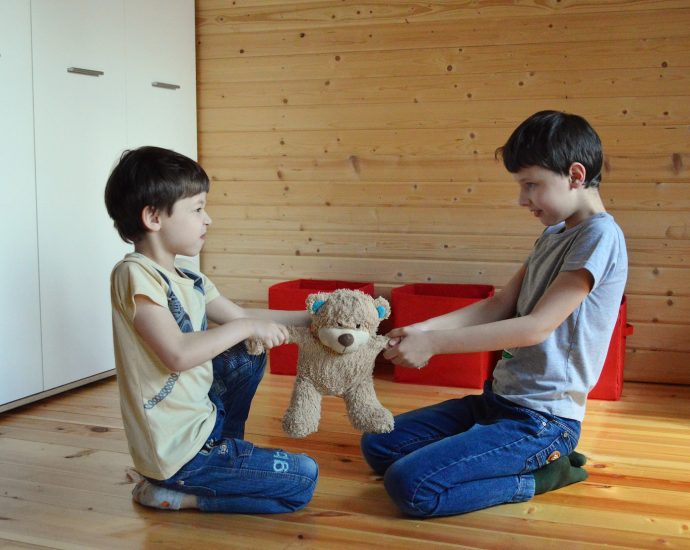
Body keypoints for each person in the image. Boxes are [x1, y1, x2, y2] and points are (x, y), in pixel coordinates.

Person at [362, 110, 628, 517]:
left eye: (531, 185)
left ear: (576, 175)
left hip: (542, 421)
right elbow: (498, 305)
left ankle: (543, 475)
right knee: (378, 443)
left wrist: (434, 344)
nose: (522, 199)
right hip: (497, 402)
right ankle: (482, 454)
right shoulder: (554, 234)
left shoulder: (600, 236)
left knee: (410, 486)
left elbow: (536, 327)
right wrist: (421, 327)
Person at [105, 146, 318, 513]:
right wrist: (248, 326)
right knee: (303, 479)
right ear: (154, 217)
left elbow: (240, 317)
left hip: (203, 425)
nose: (209, 220)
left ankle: (224, 450)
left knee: (247, 353)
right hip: (175, 453)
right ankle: (184, 493)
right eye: (198, 208)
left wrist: (314, 319)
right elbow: (177, 354)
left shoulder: (189, 277)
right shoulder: (134, 274)